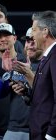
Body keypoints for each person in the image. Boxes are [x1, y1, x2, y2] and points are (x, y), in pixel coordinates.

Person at [12, 10, 56, 140]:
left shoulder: (54, 56)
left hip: (46, 134)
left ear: (45, 32)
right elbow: (46, 96)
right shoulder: (48, 56)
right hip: (39, 131)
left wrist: (51, 134)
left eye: (34, 29)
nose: (32, 34)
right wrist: (27, 91)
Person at [0, 23, 29, 140]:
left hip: (21, 129)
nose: (3, 39)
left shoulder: (25, 62)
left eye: (7, 35)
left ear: (14, 38)